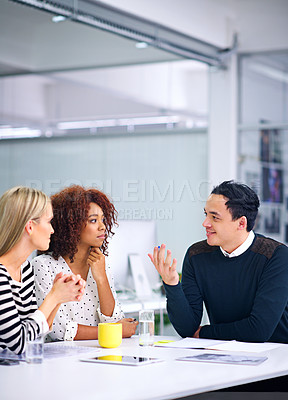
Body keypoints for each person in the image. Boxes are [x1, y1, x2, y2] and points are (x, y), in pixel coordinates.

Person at [149, 180, 288, 343]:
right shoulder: (196, 255)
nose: (205, 223)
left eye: (214, 217)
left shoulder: (277, 256)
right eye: (206, 215)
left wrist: (204, 333)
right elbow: (187, 329)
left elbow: (258, 330)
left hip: (277, 356)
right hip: (224, 356)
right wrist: (172, 284)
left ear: (241, 223)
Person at [32, 185, 138, 341]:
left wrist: (101, 279)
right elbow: (59, 330)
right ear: (71, 225)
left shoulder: (101, 263)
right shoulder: (43, 265)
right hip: (60, 362)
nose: (102, 226)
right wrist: (117, 331)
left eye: (103, 219)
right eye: (93, 220)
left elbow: (114, 320)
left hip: (98, 357)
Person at [0, 186, 85, 354]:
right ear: (30, 226)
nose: (52, 230)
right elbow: (20, 344)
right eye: (48, 221)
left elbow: (36, 334)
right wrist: (53, 297)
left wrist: (59, 298)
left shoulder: (25, 269)